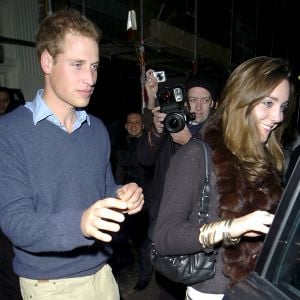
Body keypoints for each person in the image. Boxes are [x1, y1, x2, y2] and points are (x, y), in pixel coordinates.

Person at [0, 9, 144, 300]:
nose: (90, 78)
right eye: (77, 65)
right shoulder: (10, 131)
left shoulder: (96, 130)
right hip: (50, 285)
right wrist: (80, 224)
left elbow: (102, 189)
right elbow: (15, 221)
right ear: (47, 62)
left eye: (94, 66)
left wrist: (123, 195)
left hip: (103, 274)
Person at [153, 56, 294, 300]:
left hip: (257, 288)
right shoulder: (198, 154)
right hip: (214, 294)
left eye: (282, 106)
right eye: (268, 103)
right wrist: (233, 227)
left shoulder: (268, 156)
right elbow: (165, 237)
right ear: (241, 100)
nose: (278, 117)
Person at [137, 69, 219, 299]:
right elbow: (144, 158)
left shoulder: (218, 133)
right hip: (165, 222)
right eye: (193, 100)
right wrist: (158, 128)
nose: (198, 107)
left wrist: (190, 142)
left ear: (213, 103)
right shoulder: (174, 121)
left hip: (198, 228)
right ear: (184, 100)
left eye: (205, 100)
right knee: (168, 290)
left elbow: (216, 176)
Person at [110, 112, 154, 291]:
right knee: (121, 239)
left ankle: (145, 276)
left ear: (143, 125)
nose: (134, 125)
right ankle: (121, 270)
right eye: (130, 123)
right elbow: (118, 174)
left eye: (137, 122)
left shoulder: (151, 145)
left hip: (148, 201)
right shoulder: (120, 146)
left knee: (144, 243)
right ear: (126, 126)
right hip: (127, 202)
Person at [0, 87, 23, 300]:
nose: (2, 104)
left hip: (12, 211)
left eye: (5, 100)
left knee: (10, 272)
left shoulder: (16, 128)